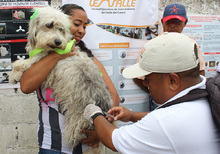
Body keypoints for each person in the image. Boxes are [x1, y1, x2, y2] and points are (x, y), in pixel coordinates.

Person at [83, 33, 219, 154]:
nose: (145, 84)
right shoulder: (208, 94)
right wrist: (132, 115)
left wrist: (94, 112)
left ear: (172, 81)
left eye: (148, 79)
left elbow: (112, 139)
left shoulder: (165, 123)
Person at [20, 4, 120, 154]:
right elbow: (25, 86)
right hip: (52, 146)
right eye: (77, 24)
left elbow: (114, 97)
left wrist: (101, 132)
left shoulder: (89, 60)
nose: (82, 31)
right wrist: (58, 54)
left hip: (88, 147)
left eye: (85, 26)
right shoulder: (41, 58)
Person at [134, 3, 206, 110]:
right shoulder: (152, 45)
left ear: (185, 22)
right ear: (162, 22)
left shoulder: (191, 45)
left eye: (177, 22)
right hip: (161, 102)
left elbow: (200, 74)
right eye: (169, 21)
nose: (173, 25)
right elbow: (138, 77)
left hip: (184, 102)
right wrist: (156, 91)